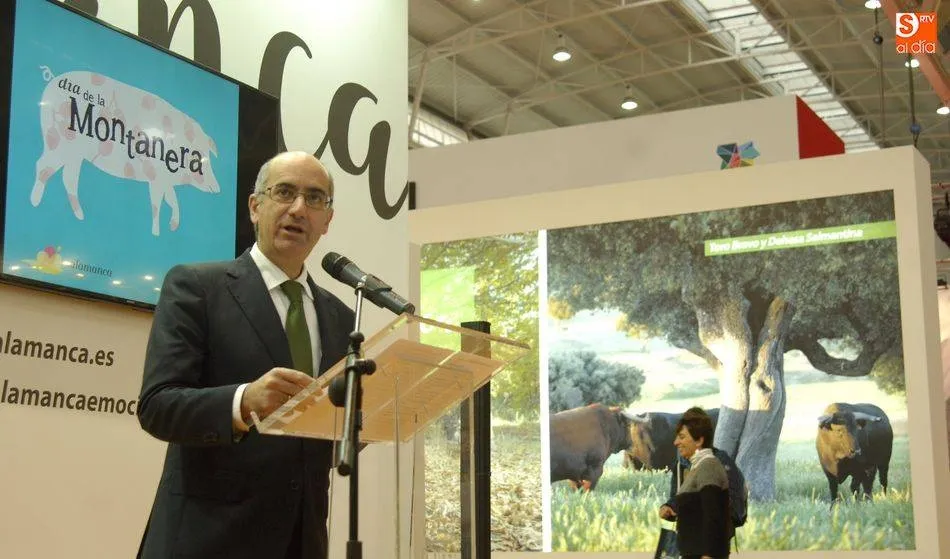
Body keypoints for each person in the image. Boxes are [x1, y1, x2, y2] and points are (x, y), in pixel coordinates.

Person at [136, 151, 354, 559]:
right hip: (208, 541)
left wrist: (360, 420)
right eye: (284, 192)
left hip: (301, 541)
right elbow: (157, 406)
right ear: (255, 206)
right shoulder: (197, 287)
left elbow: (320, 445)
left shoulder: (341, 317)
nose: (299, 209)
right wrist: (242, 402)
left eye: (314, 198)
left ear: (327, 220)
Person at [657, 407, 732, 559]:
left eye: (682, 437)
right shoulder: (692, 466)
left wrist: (709, 554)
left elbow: (714, 517)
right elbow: (693, 508)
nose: (675, 442)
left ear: (699, 440)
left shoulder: (709, 466)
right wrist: (670, 508)